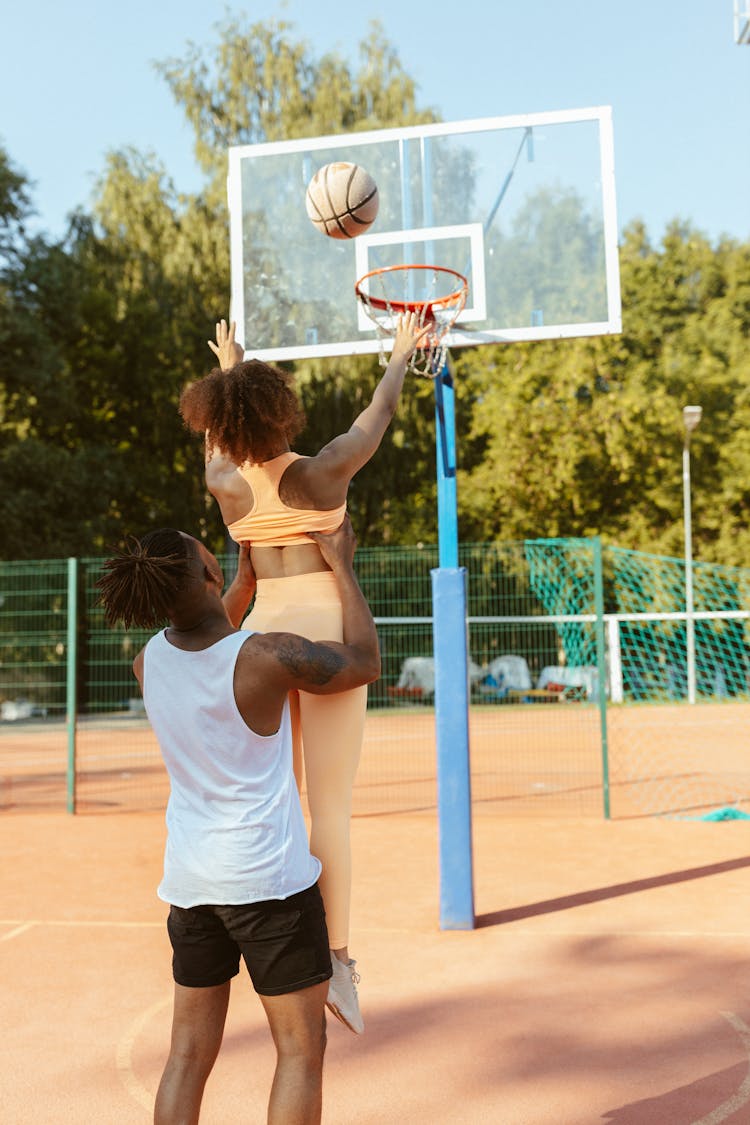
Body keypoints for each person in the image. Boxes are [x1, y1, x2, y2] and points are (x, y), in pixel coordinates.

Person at [178, 312, 429, 1034]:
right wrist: (400, 353)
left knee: (267, 797)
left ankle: (245, 922)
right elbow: (376, 416)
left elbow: (222, 436)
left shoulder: (221, 479)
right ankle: (339, 960)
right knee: (333, 806)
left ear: (224, 423)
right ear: (282, 414)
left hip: (257, 640)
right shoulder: (323, 472)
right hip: (323, 631)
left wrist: (230, 365)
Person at [96, 517, 379, 1125]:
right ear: (207, 574)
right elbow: (364, 661)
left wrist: (240, 586)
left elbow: (201, 633)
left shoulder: (150, 663)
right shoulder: (266, 656)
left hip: (192, 885)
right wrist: (344, 567)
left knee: (187, 1055)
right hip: (268, 882)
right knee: (301, 1051)